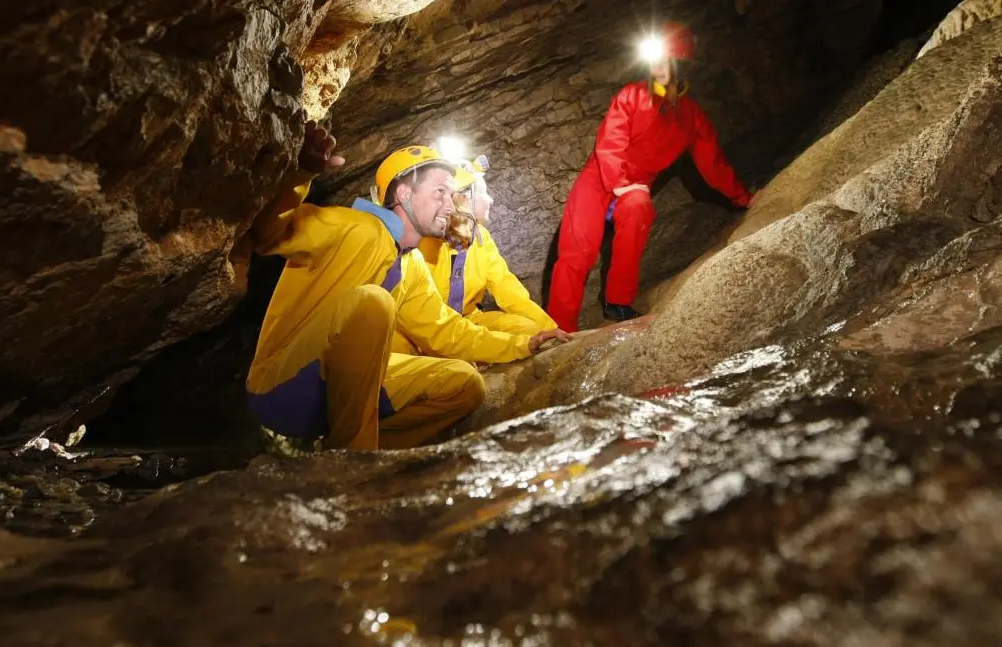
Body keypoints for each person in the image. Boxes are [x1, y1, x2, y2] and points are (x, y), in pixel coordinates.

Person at [244, 122, 570, 452]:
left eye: (452, 193)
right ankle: (356, 459)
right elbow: (268, 233)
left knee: (464, 384)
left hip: (346, 389)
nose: (450, 203)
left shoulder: (410, 263)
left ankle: (361, 456)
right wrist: (300, 175)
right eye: (440, 192)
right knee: (373, 302)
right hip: (284, 385)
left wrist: (524, 344)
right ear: (404, 194)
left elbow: (447, 331)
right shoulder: (351, 226)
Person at [546, 21, 755, 332]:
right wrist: (619, 184)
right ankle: (558, 330)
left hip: (636, 187)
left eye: (663, 60)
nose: (656, 67)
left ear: (680, 65)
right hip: (599, 179)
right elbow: (610, 143)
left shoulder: (691, 117)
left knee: (639, 205)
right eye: (654, 60)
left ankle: (618, 302)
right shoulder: (631, 96)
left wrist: (744, 198)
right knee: (577, 250)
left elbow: (711, 162)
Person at [392, 155, 561, 355]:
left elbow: (507, 288)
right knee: (397, 349)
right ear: (464, 199)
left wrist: (549, 327)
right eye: (483, 192)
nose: (491, 199)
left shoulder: (481, 238)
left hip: (468, 319)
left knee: (527, 330)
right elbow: (418, 314)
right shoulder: (423, 241)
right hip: (417, 329)